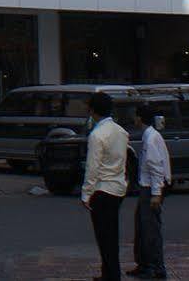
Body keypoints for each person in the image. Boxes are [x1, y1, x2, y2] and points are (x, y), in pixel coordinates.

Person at [79, 91, 129, 281]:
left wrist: (86, 194)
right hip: (117, 187)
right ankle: (109, 273)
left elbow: (92, 168)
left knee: (103, 237)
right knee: (111, 234)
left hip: (102, 189)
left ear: (93, 111)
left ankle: (111, 275)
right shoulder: (121, 132)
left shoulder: (97, 135)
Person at [130, 109, 170, 280]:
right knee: (141, 227)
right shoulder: (149, 136)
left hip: (150, 188)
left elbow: (156, 167)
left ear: (139, 118)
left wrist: (156, 193)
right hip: (147, 187)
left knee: (150, 229)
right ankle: (144, 264)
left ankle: (155, 268)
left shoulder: (151, 138)